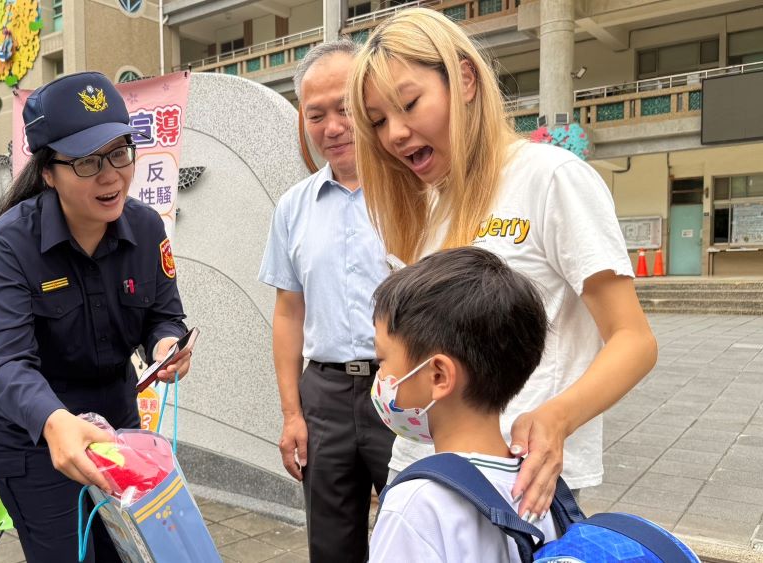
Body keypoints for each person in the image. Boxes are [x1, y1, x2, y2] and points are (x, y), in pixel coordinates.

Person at [348, 8, 657, 521]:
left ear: (465, 79)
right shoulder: (423, 205)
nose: (395, 135)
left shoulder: (551, 178)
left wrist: (557, 417)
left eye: (409, 105)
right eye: (379, 122)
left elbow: (635, 340)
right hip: (420, 471)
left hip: (517, 481)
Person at [0, 71, 191, 563]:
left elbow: (164, 314)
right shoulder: (11, 242)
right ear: (48, 171)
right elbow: (7, 360)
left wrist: (165, 347)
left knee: (127, 552)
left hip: (116, 420)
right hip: (36, 433)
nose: (111, 174)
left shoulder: (144, 226)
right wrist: (54, 422)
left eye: (120, 152)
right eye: (88, 161)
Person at [258, 39, 396, 563]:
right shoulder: (294, 207)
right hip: (326, 395)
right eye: (316, 115)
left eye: (344, 108)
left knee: (416, 532)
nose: (332, 127)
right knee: (331, 543)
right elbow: (289, 312)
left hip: (403, 389)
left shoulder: (414, 190)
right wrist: (292, 413)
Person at [367, 247, 558, 562]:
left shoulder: (415, 506)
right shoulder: (544, 488)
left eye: (383, 360)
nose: (381, 377)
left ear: (439, 375)